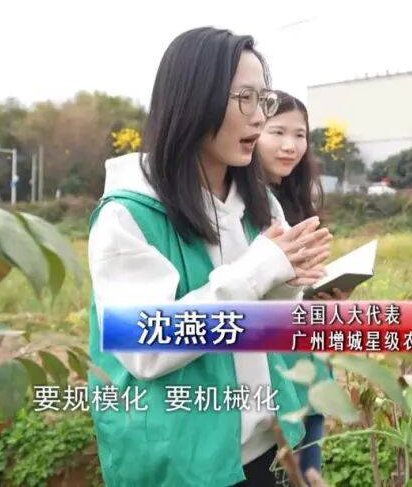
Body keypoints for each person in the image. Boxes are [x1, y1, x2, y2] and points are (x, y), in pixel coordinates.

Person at [87, 27, 332, 486]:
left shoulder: (260, 204)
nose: (258, 118)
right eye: (244, 98)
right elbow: (144, 347)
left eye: (264, 100)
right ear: (194, 98)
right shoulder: (127, 215)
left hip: (266, 447)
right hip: (183, 465)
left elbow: (264, 327)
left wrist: (287, 284)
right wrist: (258, 271)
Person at [254, 90, 349, 479]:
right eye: (277, 132)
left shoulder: (293, 200)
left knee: (307, 471)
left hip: (308, 363)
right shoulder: (238, 206)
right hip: (271, 374)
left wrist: (326, 296)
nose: (290, 146)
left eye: (300, 135)